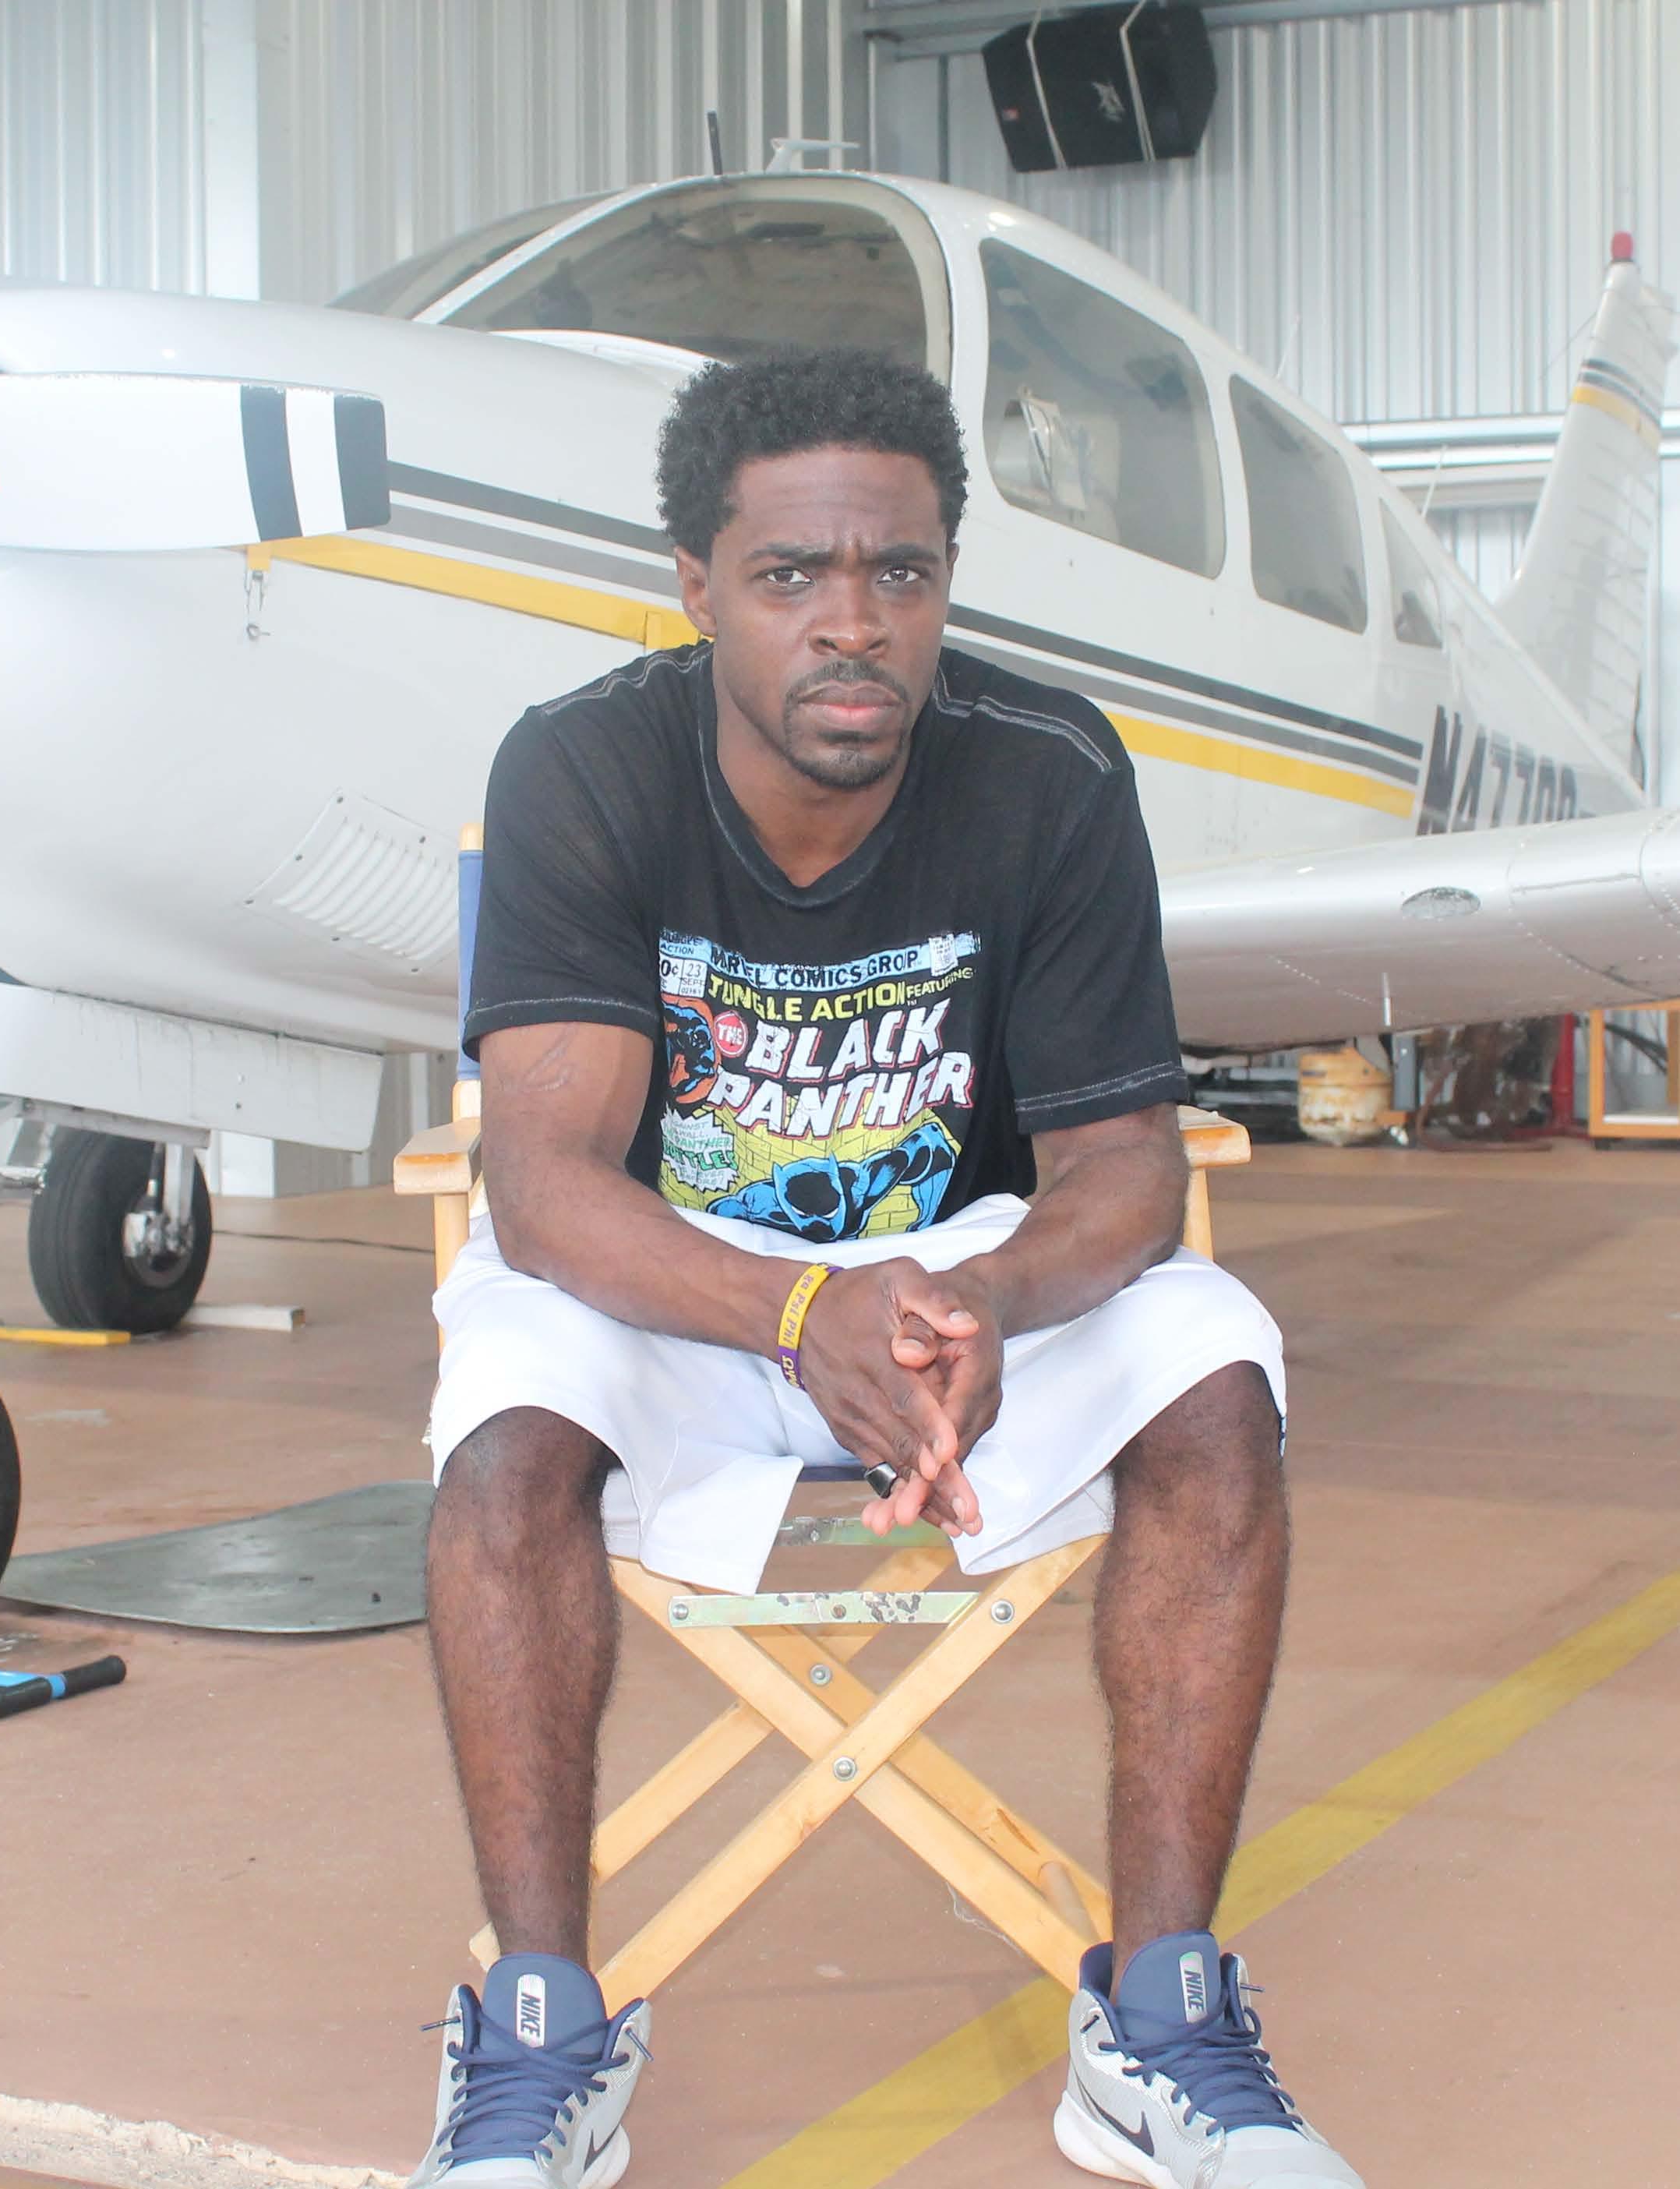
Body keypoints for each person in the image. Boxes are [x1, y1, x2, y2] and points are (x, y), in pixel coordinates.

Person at [406, 348, 1363, 2189]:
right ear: (696, 586)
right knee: (506, 1432)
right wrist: (792, 1313)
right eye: (789, 575)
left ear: (942, 583)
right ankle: (538, 2036)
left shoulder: (1046, 771)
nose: (851, 622)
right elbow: (541, 1185)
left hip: (955, 1295)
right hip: (683, 1286)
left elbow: (1122, 1167)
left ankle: (1156, 2019)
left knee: (1212, 1371)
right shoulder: (583, 767)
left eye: (896, 572)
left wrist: (983, 1307)